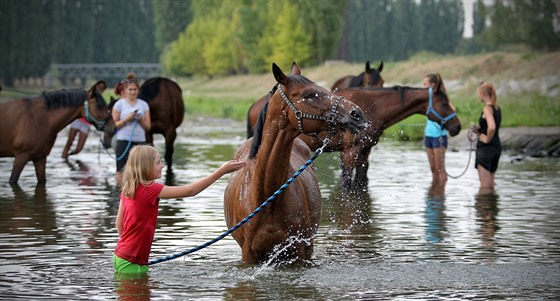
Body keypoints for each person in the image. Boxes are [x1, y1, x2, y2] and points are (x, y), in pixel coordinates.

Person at [113, 144, 246, 274]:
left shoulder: (129, 188)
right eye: (158, 162)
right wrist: (221, 170)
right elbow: (190, 191)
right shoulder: (150, 190)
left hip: (121, 257)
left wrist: (130, 249)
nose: (162, 165)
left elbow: (119, 224)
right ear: (146, 166)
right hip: (131, 262)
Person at [112, 74, 151, 187]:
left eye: (135, 89)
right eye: (130, 90)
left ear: (138, 90)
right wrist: (126, 120)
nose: (133, 92)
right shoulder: (119, 104)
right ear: (125, 90)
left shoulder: (144, 105)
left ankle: (140, 193)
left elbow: (148, 127)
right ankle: (121, 194)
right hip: (123, 140)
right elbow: (113, 126)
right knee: (121, 170)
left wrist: (140, 120)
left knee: (142, 170)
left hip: (140, 141)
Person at [62, 80, 107, 158]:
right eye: (99, 87)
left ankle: (68, 156)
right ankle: (64, 157)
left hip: (86, 124)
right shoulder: (87, 95)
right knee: (69, 142)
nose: (100, 89)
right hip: (78, 121)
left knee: (79, 149)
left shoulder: (100, 101)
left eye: (102, 88)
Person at [473, 82, 501, 189]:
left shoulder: (487, 109)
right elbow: (492, 126)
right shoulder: (497, 108)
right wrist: (479, 130)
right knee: (491, 184)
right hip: (496, 148)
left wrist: (486, 139)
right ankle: (492, 205)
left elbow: (492, 127)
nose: (478, 96)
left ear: (482, 93)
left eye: (478, 93)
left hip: (485, 150)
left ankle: (484, 205)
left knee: (484, 186)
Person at [422, 73, 448, 184]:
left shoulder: (440, 99)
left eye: (425, 84)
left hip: (439, 136)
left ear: (433, 85)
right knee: (433, 169)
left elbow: (452, 109)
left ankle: (441, 193)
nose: (423, 87)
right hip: (428, 136)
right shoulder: (429, 100)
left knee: (439, 169)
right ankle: (434, 191)